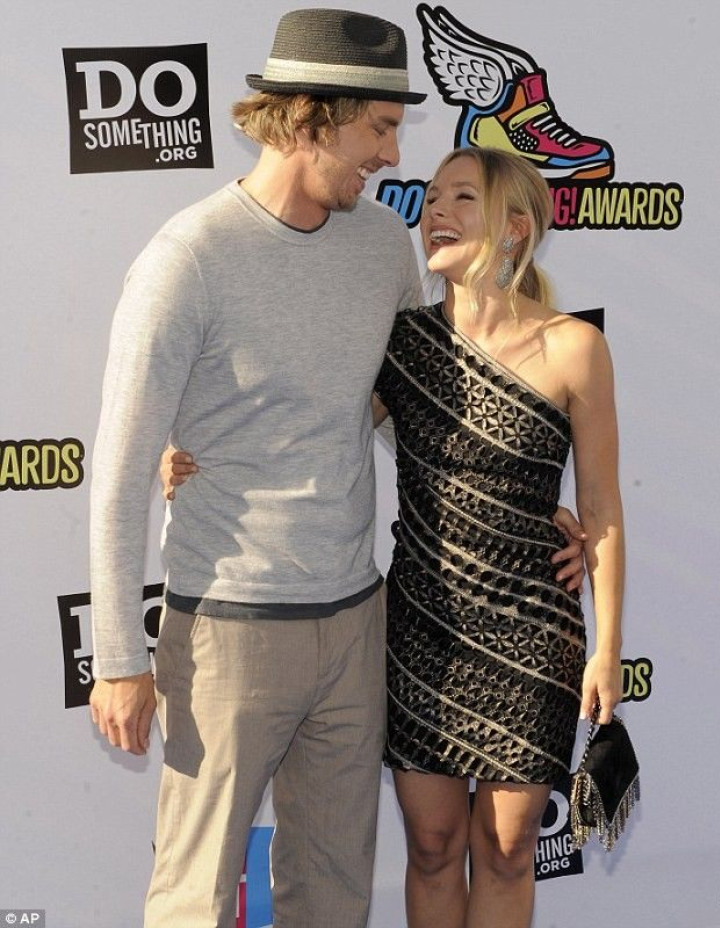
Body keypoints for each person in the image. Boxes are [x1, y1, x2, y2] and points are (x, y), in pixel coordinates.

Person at [88, 10, 428, 928]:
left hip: (356, 619)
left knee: (333, 895)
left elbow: (407, 408)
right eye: (380, 129)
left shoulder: (383, 250)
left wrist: (513, 500)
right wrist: (118, 656)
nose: (394, 157)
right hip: (226, 630)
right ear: (313, 118)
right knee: (196, 900)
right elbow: (118, 472)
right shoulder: (189, 259)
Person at [372, 147, 625, 928]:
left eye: (460, 198)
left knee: (511, 849)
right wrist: (199, 451)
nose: (433, 212)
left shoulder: (573, 347)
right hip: (423, 626)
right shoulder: (402, 344)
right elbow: (310, 430)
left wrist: (606, 650)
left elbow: (604, 509)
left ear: (515, 229)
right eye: (430, 198)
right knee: (434, 845)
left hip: (531, 629)